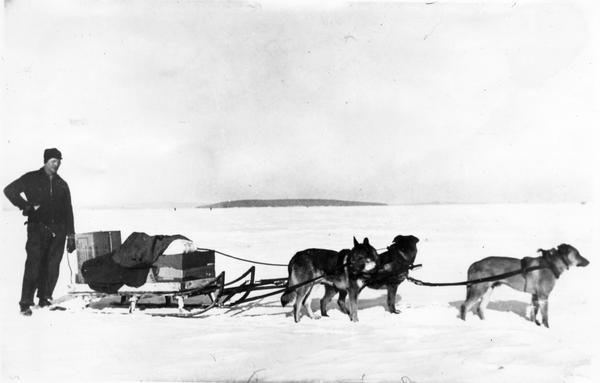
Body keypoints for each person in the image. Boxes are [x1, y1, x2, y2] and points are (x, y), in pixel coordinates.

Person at [4, 148, 76, 316]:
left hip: (58, 230)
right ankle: (25, 302)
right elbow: (9, 190)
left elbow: (68, 209)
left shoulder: (62, 184)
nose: (56, 164)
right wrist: (26, 206)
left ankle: (45, 297)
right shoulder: (31, 178)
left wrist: (71, 234)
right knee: (34, 265)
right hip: (38, 228)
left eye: (59, 161)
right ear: (46, 161)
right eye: (53, 161)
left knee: (52, 266)